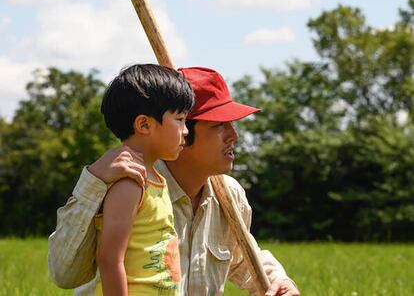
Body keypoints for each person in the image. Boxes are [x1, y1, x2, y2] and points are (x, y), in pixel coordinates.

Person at [48, 67, 300, 296]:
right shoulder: (128, 181)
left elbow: (242, 257)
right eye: (219, 125)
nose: (234, 135)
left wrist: (278, 281)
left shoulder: (230, 194)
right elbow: (65, 273)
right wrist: (92, 182)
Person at [83, 64, 194, 295]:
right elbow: (110, 259)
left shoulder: (156, 179)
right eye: (180, 119)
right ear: (144, 124)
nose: (186, 131)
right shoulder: (129, 184)